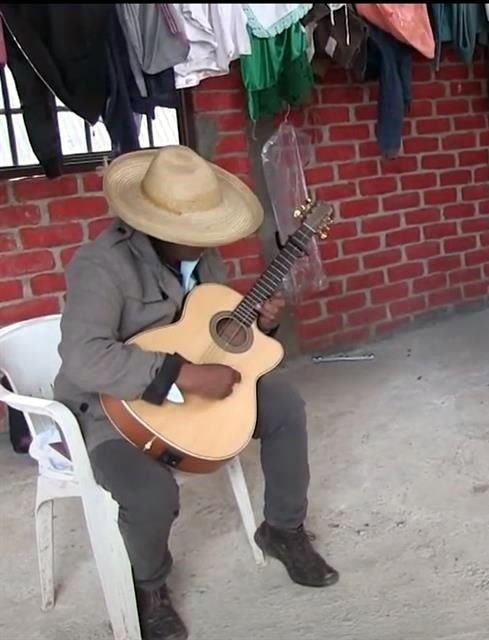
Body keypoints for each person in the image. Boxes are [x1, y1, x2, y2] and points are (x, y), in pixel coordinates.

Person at [53, 145, 339, 640]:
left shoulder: (202, 259)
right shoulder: (101, 265)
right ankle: (148, 586)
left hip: (194, 383)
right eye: (196, 230)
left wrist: (261, 327)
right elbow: (84, 356)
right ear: (155, 224)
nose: (208, 240)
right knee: (150, 492)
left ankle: (283, 529)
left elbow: (213, 334)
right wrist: (182, 375)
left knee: (285, 407)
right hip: (113, 407)